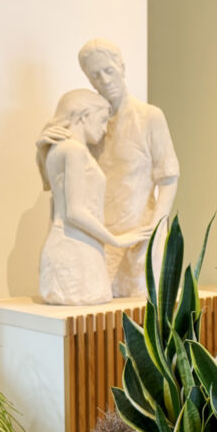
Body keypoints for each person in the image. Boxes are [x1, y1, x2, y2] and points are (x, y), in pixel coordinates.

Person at [37, 39, 180, 297]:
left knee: (141, 318)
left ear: (121, 68)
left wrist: (157, 229)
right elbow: (59, 186)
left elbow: (168, 178)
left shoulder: (149, 117)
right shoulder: (88, 123)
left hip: (139, 234)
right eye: (95, 75)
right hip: (97, 239)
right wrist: (42, 149)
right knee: (101, 320)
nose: (104, 80)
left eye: (108, 71)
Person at [39, 89, 152, 305]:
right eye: (101, 121)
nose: (103, 130)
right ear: (83, 116)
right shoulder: (74, 151)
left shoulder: (56, 150)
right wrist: (116, 240)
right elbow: (75, 211)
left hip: (76, 246)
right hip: (75, 249)